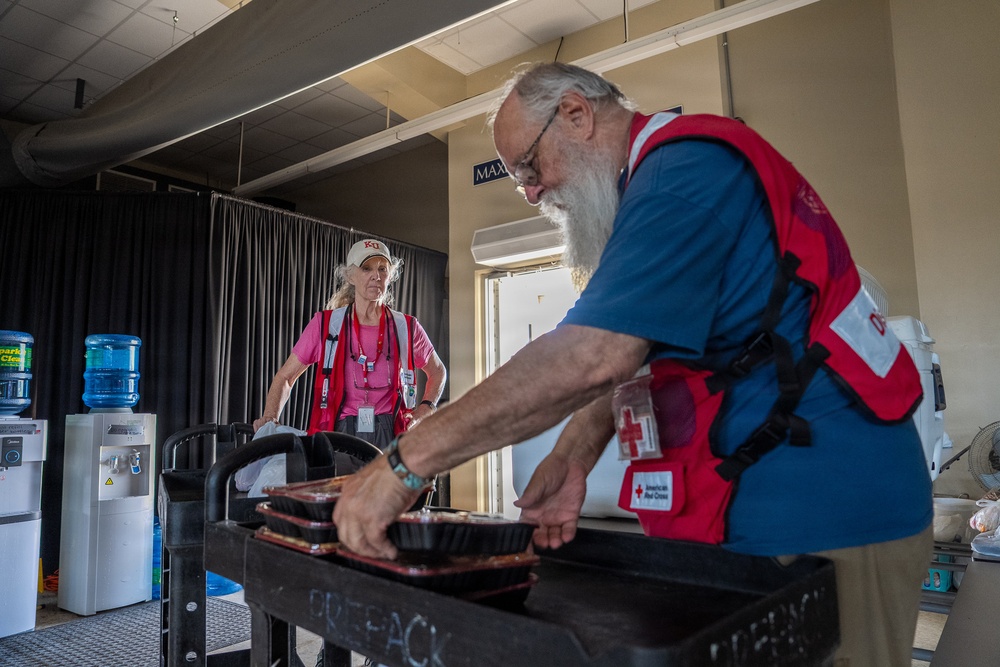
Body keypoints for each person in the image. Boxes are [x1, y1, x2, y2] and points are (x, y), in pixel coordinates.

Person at [333, 63, 933, 666]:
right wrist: (572, 456)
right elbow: (637, 353)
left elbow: (595, 355)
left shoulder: (685, 171)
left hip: (828, 516)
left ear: (576, 114)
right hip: (738, 517)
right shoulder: (648, 190)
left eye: (530, 168)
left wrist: (404, 465)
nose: (532, 193)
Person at [253, 238, 446, 449]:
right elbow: (285, 377)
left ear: (390, 276)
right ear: (350, 276)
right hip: (340, 431)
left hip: (391, 430)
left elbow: (438, 372)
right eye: (367, 268)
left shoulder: (406, 326)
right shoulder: (326, 325)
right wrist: (270, 418)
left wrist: (426, 408)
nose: (376, 276)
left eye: (382, 269)